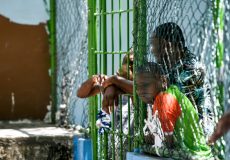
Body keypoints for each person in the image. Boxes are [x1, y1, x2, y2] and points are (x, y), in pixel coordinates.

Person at [136, 62, 213, 159]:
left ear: (163, 80)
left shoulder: (165, 99)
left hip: (194, 155)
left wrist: (157, 142)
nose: (140, 91)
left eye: (146, 85)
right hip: (199, 152)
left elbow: (169, 141)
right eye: (137, 86)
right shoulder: (170, 94)